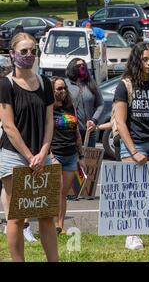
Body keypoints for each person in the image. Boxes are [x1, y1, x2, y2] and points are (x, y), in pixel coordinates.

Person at [0, 32, 58, 261]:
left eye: (32, 51)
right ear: (12, 54)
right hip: (14, 156)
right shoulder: (5, 84)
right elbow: (8, 126)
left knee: (46, 214)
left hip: (42, 156)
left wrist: (43, 152)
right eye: (23, 51)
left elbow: (49, 120)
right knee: (17, 217)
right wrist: (29, 156)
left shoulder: (45, 83)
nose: (28, 55)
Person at [114, 42, 149, 250]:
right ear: (136, 60)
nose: (148, 63)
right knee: (133, 190)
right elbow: (120, 123)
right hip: (133, 142)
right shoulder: (125, 85)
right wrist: (133, 151)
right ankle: (132, 233)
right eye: (144, 59)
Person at [50, 77, 86, 234]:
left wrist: (81, 156)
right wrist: (50, 156)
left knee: (63, 193)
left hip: (71, 155)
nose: (63, 91)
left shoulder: (70, 108)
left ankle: (60, 226)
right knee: (55, 192)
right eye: (58, 89)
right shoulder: (48, 109)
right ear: (52, 91)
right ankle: (51, 226)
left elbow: (77, 133)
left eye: (64, 88)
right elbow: (44, 135)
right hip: (55, 154)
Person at [65, 58, 104, 147]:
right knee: (75, 159)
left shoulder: (91, 83)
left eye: (84, 65)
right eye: (78, 66)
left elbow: (100, 104)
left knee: (88, 160)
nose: (82, 67)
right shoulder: (65, 85)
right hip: (71, 132)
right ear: (72, 68)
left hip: (89, 132)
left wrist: (94, 120)